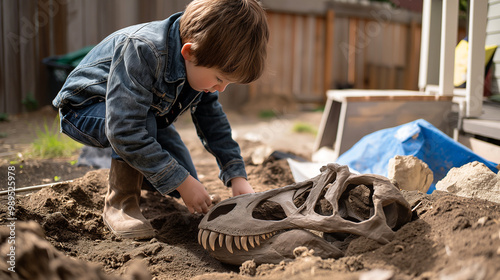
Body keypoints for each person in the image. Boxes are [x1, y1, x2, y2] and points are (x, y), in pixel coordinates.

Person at [52, 0, 269, 239]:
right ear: (189, 52)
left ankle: (144, 177)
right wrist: (183, 183)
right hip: (83, 110)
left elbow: (213, 123)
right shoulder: (143, 49)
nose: (222, 88)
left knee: (183, 174)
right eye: (219, 79)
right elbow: (124, 128)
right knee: (172, 168)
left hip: (143, 117)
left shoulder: (200, 63)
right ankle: (121, 204)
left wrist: (236, 176)